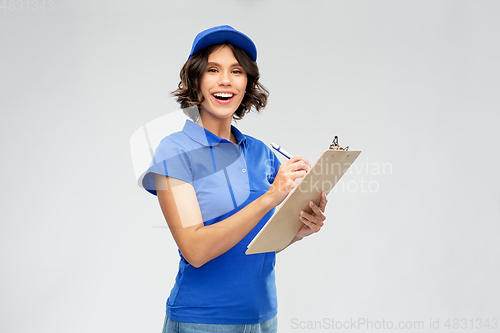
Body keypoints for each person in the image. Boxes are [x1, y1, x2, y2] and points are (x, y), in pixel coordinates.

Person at [142, 25, 328, 333]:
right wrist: (270, 196)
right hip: (201, 321)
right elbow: (196, 250)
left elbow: (258, 243)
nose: (225, 80)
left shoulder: (261, 153)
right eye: (213, 69)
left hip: (263, 318)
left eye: (237, 71)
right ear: (196, 80)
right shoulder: (174, 151)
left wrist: (301, 229)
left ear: (247, 84)